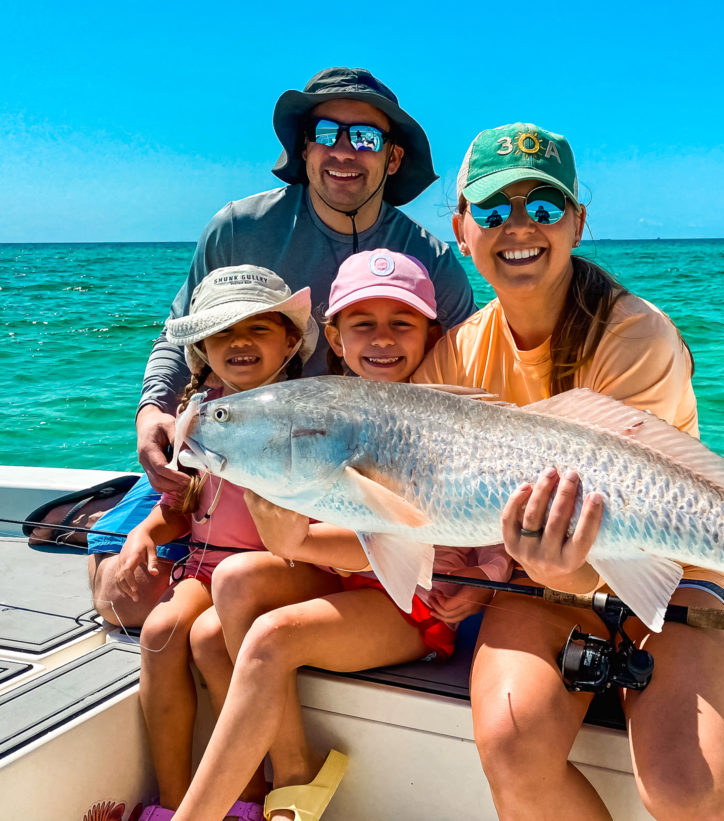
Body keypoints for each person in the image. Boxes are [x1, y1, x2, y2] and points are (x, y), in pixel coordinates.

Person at [412, 124, 724, 820]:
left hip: (677, 567)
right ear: (461, 229)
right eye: (492, 209)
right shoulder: (456, 355)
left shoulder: (635, 335)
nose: (517, 227)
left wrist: (523, 566)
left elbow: (641, 541)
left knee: (691, 788)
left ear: (576, 223)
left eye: (543, 208)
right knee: (511, 739)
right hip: (542, 579)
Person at [88, 66, 478, 628]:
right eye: (326, 134)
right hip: (241, 451)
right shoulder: (238, 228)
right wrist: (151, 409)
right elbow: (179, 332)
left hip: (358, 472)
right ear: (302, 146)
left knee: (252, 594)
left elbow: (462, 385)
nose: (344, 151)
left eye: (365, 137)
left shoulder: (431, 261)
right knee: (121, 601)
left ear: (392, 158)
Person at [170, 250, 512, 821]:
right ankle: (264, 788)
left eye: (400, 323)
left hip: (413, 603)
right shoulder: (320, 404)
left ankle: (257, 796)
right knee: (222, 601)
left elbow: (404, 537)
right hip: (342, 583)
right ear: (334, 333)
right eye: (362, 324)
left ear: (431, 332)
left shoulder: (441, 403)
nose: (381, 339)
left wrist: (487, 575)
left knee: (272, 639)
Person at [112, 266, 319, 821]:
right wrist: (143, 533)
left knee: (208, 639)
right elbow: (181, 508)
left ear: (291, 341)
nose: (240, 343)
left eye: (258, 328)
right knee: (158, 631)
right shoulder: (196, 416)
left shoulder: (309, 414)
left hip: (284, 567)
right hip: (204, 568)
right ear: (201, 348)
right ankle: (172, 800)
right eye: (223, 333)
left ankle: (244, 796)